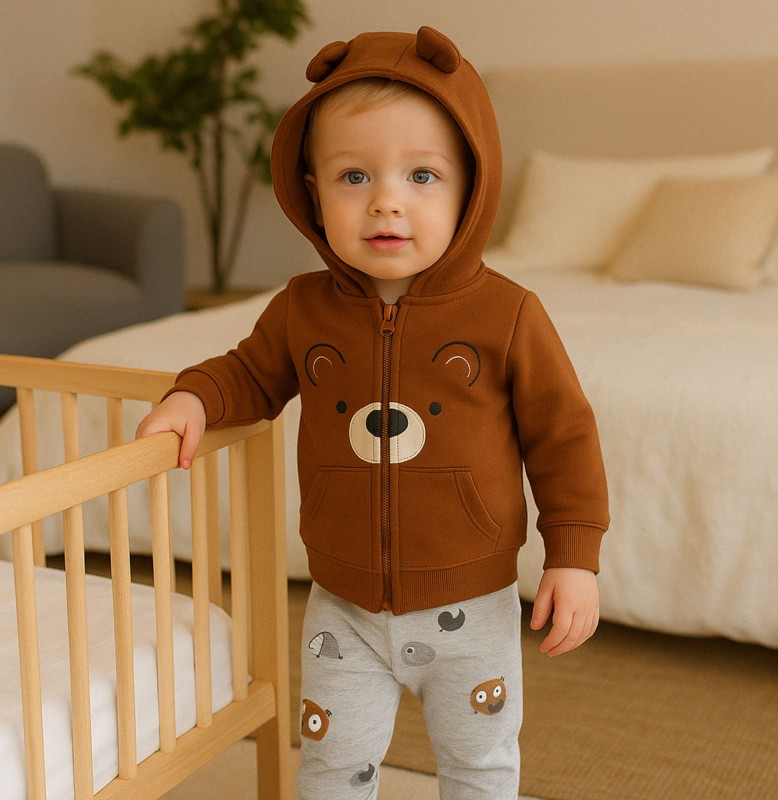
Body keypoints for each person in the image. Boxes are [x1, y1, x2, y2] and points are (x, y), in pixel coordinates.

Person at [137, 26, 610, 800]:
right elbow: (248, 374)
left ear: (471, 188)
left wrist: (574, 556)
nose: (387, 200)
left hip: (473, 607)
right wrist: (194, 396)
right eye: (353, 175)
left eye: (422, 175)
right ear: (312, 192)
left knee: (480, 765)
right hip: (343, 608)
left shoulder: (508, 314)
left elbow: (564, 437)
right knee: (332, 765)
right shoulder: (301, 309)